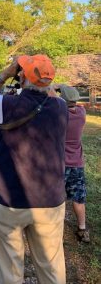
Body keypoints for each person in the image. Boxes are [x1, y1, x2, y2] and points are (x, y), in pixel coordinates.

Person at [0, 54, 68, 284]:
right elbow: (50, 95)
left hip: (8, 200)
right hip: (50, 200)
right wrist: (40, 81)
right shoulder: (61, 108)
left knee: (9, 268)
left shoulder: (5, 104)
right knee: (51, 268)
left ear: (23, 76)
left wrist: (5, 74)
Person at [59, 85, 89, 242]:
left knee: (58, 197)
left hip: (61, 164)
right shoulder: (82, 113)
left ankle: (57, 232)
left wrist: (56, 87)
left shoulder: (60, 115)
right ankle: (82, 229)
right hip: (77, 163)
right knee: (78, 197)